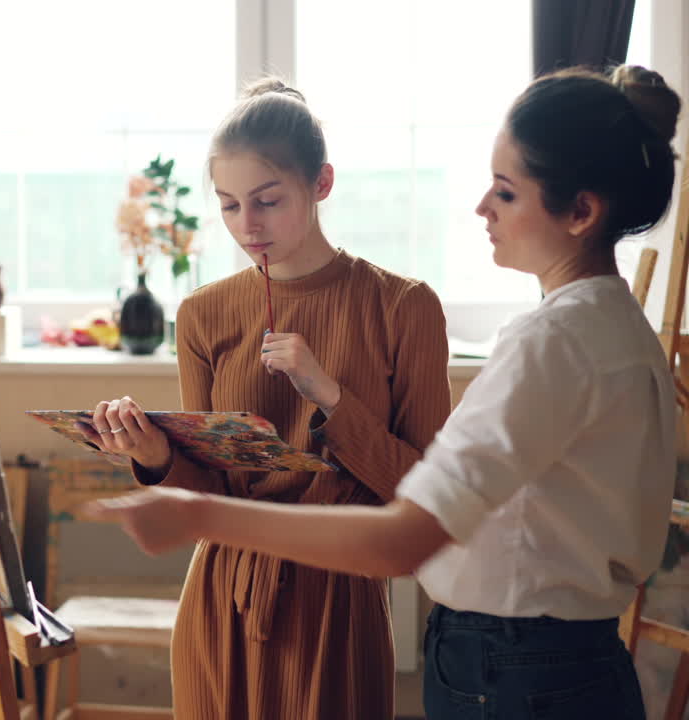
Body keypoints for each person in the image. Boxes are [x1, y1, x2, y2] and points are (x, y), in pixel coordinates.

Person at [84, 65, 682, 720]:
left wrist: (203, 512)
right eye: (228, 204)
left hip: (509, 664)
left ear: (582, 211)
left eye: (506, 193)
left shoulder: (544, 341)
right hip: (533, 657)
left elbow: (406, 533)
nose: (482, 207)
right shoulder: (616, 329)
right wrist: (157, 461)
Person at [79, 76, 452, 719]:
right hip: (220, 599)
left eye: (267, 201)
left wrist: (330, 395)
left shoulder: (402, 306)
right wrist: (154, 455)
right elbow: (210, 497)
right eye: (227, 205)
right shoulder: (203, 315)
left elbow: (427, 501)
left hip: (340, 605)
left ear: (322, 184)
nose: (246, 226)